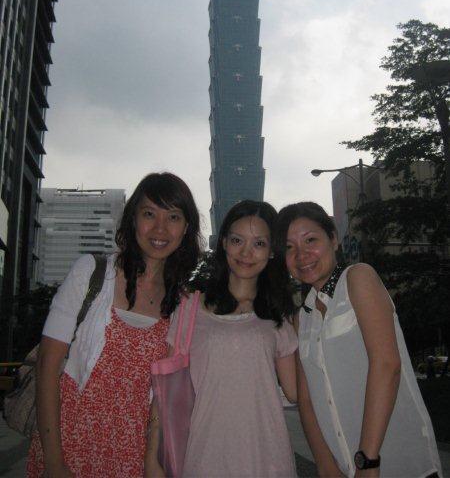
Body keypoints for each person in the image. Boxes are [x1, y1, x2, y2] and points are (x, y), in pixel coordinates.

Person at [27, 172, 202, 478]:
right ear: (133, 218)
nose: (160, 228)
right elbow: (47, 366)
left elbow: (166, 398)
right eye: (149, 214)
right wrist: (54, 464)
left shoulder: (183, 304)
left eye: (173, 217)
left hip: (134, 454)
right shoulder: (92, 273)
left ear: (186, 228)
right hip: (70, 441)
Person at [275, 201, 442, 478]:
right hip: (344, 467)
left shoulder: (357, 278)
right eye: (289, 247)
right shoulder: (301, 317)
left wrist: (368, 460)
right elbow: (306, 399)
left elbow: (387, 365)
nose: (301, 254)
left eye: (311, 240)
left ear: (333, 239)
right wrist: (325, 464)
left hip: (397, 462)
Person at [147, 200, 299, 478]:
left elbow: (295, 390)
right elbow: (164, 393)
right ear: (224, 244)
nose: (246, 252)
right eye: (237, 240)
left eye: (259, 244)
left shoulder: (278, 314)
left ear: (272, 252)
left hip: (267, 457)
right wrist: (152, 459)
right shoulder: (190, 307)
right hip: (203, 455)